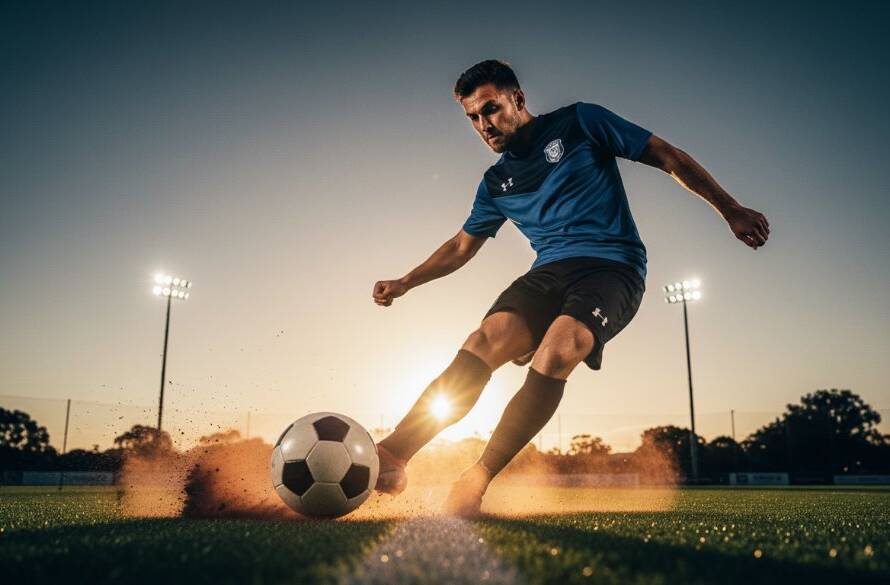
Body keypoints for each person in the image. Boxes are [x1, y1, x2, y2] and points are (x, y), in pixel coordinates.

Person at [371, 60, 770, 517]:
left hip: (612, 268)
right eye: (474, 118)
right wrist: (405, 281)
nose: (484, 125)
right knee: (484, 341)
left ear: (518, 100)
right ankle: (394, 455)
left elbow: (667, 156)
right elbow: (461, 246)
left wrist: (730, 208)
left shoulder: (580, 122)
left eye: (492, 109)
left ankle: (476, 478)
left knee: (560, 349)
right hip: (548, 272)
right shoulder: (495, 183)